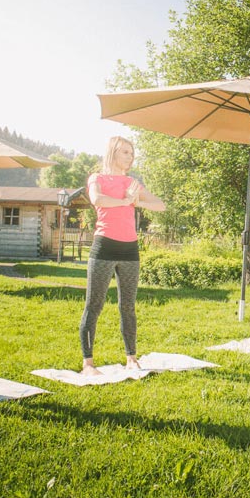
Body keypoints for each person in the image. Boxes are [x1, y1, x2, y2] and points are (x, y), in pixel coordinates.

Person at [79, 137, 165, 376]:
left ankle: (131, 358)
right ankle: (88, 363)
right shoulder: (97, 178)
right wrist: (126, 200)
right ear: (113, 153)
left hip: (130, 250)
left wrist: (137, 200)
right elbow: (98, 200)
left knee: (128, 306)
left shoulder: (131, 183)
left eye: (132, 153)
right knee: (93, 305)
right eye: (126, 152)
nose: (130, 157)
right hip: (104, 247)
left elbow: (161, 205)